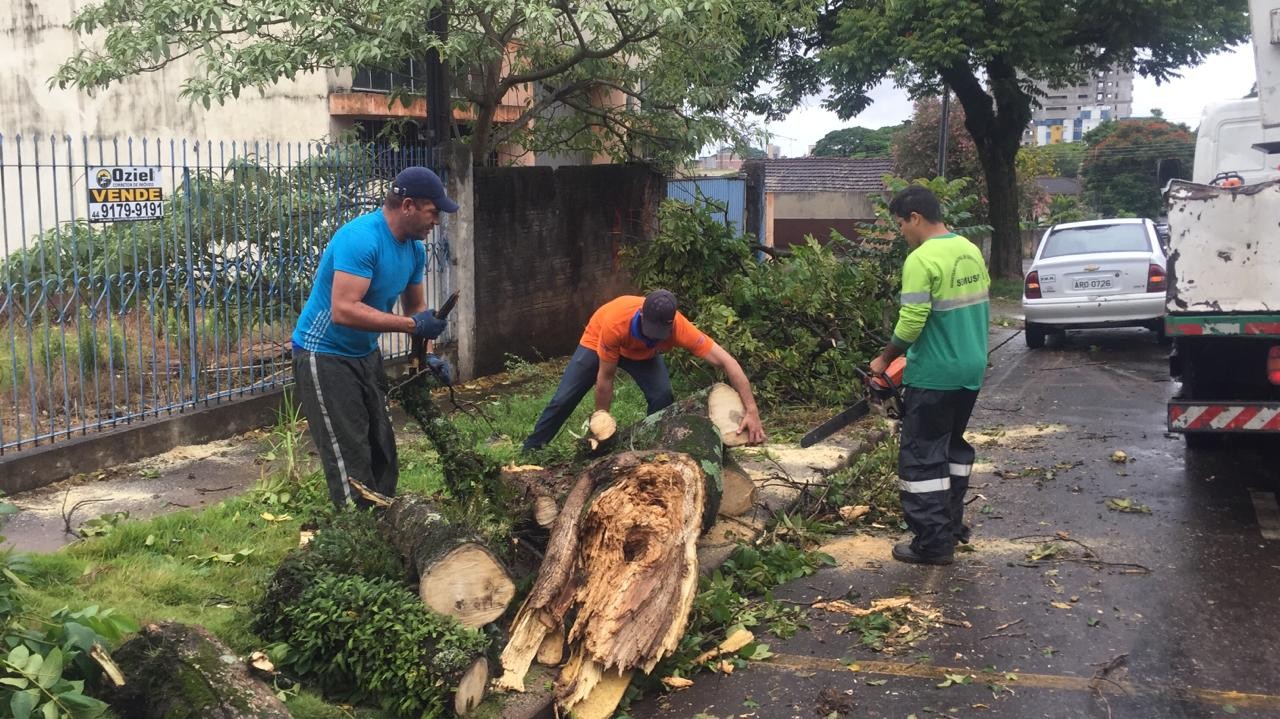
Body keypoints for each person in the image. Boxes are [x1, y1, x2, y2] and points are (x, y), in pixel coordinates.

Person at [292, 166, 457, 509]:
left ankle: (388, 524)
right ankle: (358, 535)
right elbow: (344, 310)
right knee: (348, 455)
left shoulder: (414, 250)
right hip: (324, 354)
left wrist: (426, 355)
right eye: (433, 212)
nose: (436, 221)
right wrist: (413, 327)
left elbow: (417, 308)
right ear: (408, 205)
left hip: (365, 354)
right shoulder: (362, 238)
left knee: (382, 448)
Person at [870, 185, 990, 566]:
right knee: (951, 449)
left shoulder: (922, 259)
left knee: (922, 460)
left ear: (915, 218)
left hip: (936, 373)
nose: (901, 232)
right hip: (970, 369)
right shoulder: (969, 250)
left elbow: (912, 321)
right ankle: (951, 526)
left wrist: (884, 359)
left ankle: (932, 543)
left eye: (901, 224)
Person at [522, 290, 766, 451]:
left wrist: (752, 410)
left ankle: (651, 450)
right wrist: (601, 426)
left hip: (643, 357)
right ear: (641, 315)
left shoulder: (680, 327)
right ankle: (531, 448)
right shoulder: (615, 324)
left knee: (662, 397)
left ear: (670, 324)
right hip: (600, 342)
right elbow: (605, 380)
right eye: (650, 331)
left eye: (660, 334)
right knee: (564, 399)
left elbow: (727, 362)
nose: (654, 337)